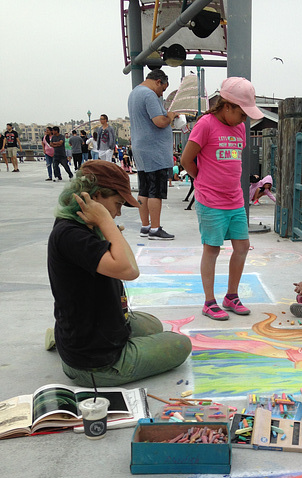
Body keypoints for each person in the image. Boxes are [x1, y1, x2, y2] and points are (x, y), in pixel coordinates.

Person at [46, 160, 192, 386]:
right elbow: (129, 270)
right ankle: (78, 355)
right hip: (95, 362)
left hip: (92, 327)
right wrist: (107, 223)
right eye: (117, 203)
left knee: (153, 325)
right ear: (94, 198)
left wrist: (107, 229)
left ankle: (60, 337)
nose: (118, 212)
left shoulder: (79, 226)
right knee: (180, 344)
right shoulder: (71, 235)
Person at [181, 77, 263, 320]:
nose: (245, 119)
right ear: (226, 105)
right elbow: (186, 160)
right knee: (212, 249)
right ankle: (209, 301)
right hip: (210, 200)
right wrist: (202, 180)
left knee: (242, 247)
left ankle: (231, 295)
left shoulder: (239, 128)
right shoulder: (205, 125)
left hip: (235, 199)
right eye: (242, 113)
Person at [128, 68, 177, 240]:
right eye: (163, 89)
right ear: (158, 82)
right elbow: (159, 121)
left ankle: (145, 226)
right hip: (154, 150)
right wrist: (170, 115)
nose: (161, 94)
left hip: (141, 148)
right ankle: (155, 229)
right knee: (156, 191)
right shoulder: (149, 95)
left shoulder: (134, 93)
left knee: (144, 189)